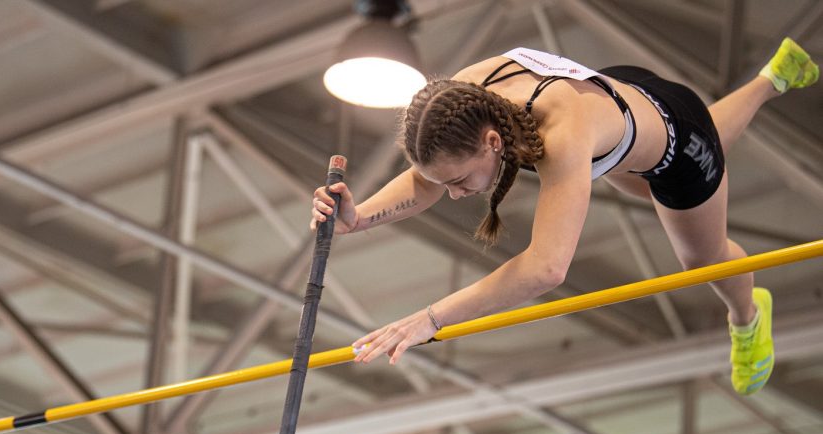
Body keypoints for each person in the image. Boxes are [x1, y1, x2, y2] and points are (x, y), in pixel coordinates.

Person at [311, 39, 818, 395]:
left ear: (492, 141)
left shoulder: (561, 134)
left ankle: (748, 317)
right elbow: (426, 179)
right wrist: (360, 218)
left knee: (702, 256)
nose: (456, 196)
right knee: (671, 164)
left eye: (460, 180)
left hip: (669, 142)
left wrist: (432, 320)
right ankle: (773, 78)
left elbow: (546, 269)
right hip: (630, 97)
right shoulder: (461, 100)